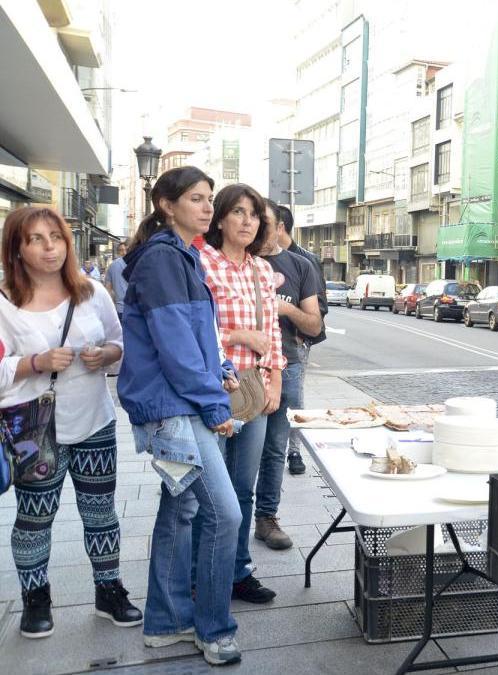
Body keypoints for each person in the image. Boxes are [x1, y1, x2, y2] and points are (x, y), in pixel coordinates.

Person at [117, 166, 243, 665]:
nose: (207, 207)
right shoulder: (165, 260)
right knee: (224, 513)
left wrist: (224, 368)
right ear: (167, 205)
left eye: (210, 197)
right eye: (196, 198)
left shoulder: (181, 258)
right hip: (174, 410)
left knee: (183, 510)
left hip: (179, 403)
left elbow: (196, 339)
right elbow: (174, 348)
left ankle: (166, 622)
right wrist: (215, 404)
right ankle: (213, 630)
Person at [0, 207, 140, 639]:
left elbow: (119, 342)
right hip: (34, 429)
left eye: (56, 237)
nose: (50, 248)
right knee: (35, 517)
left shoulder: (91, 292)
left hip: (94, 420)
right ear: (16, 249)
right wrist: (34, 363)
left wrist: (106, 355)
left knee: (101, 514)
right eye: (36, 239)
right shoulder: (4, 302)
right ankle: (35, 598)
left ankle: (108, 590)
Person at [200, 184, 286, 605]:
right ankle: (202, 574)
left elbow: (272, 333)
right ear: (219, 219)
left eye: (254, 214)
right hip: (214, 387)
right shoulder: (202, 264)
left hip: (254, 386)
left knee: (243, 486)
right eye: (238, 212)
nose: (248, 221)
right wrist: (236, 334)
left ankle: (237, 571)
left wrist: (276, 381)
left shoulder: (261, 271)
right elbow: (189, 330)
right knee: (210, 489)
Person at [254, 202, 322, 550]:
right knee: (236, 449)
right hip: (243, 367)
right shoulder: (236, 263)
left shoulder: (299, 266)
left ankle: (266, 517)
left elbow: (315, 323)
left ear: (278, 226)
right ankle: (229, 522)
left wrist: (287, 309)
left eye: (262, 220)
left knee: (275, 446)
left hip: (288, 364)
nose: (255, 226)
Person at [272, 204, 326, 475]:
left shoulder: (305, 261)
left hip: (294, 344)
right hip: (262, 350)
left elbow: (320, 308)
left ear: (280, 226)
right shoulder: (252, 258)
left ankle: (294, 450)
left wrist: (301, 333)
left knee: (294, 399)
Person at [104, 241, 129, 319]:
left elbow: (108, 289)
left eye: (126, 250)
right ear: (118, 252)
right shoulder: (135, 263)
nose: (124, 252)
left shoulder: (112, 266)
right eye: (121, 250)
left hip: (119, 309)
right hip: (131, 309)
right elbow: (108, 289)